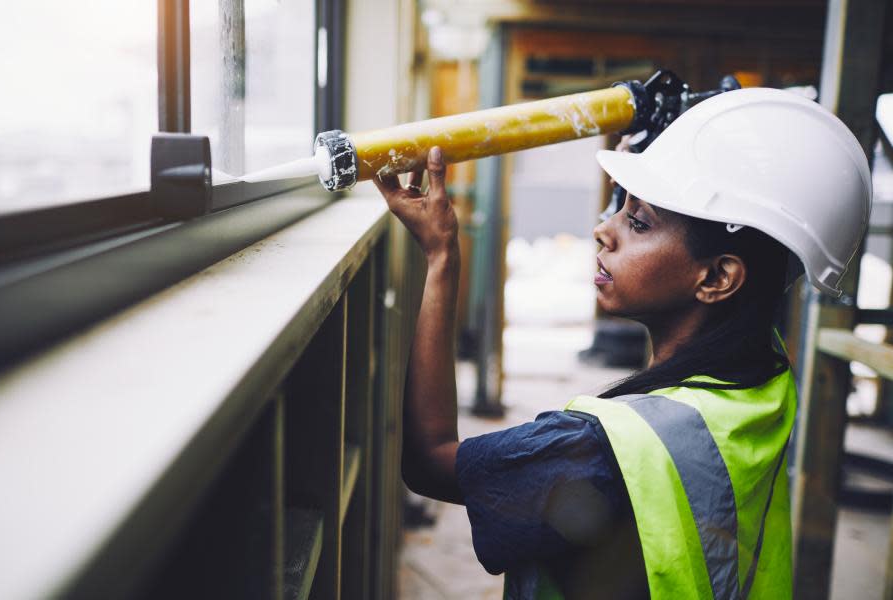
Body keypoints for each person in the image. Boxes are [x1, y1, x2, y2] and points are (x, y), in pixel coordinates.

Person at [373, 88, 872, 599]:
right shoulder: (761, 382)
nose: (602, 230)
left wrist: (441, 257)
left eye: (637, 221)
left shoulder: (603, 450)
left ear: (719, 278)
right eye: (621, 209)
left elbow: (429, 460)